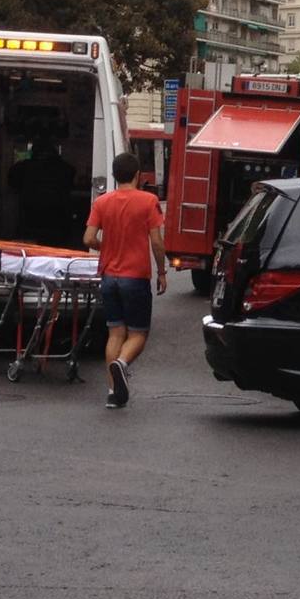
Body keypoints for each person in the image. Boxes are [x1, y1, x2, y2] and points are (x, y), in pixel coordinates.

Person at [83, 152, 166, 409]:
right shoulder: (148, 201)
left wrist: (103, 246)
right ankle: (122, 364)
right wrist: (162, 272)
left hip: (109, 276)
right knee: (139, 333)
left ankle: (112, 391)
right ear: (138, 175)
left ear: (115, 175)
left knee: (115, 332)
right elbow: (156, 241)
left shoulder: (102, 202)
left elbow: (88, 239)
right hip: (135, 276)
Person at [9, 138, 76, 247]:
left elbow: (12, 182)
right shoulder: (65, 168)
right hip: (57, 216)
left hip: (31, 214)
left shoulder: (24, 166)